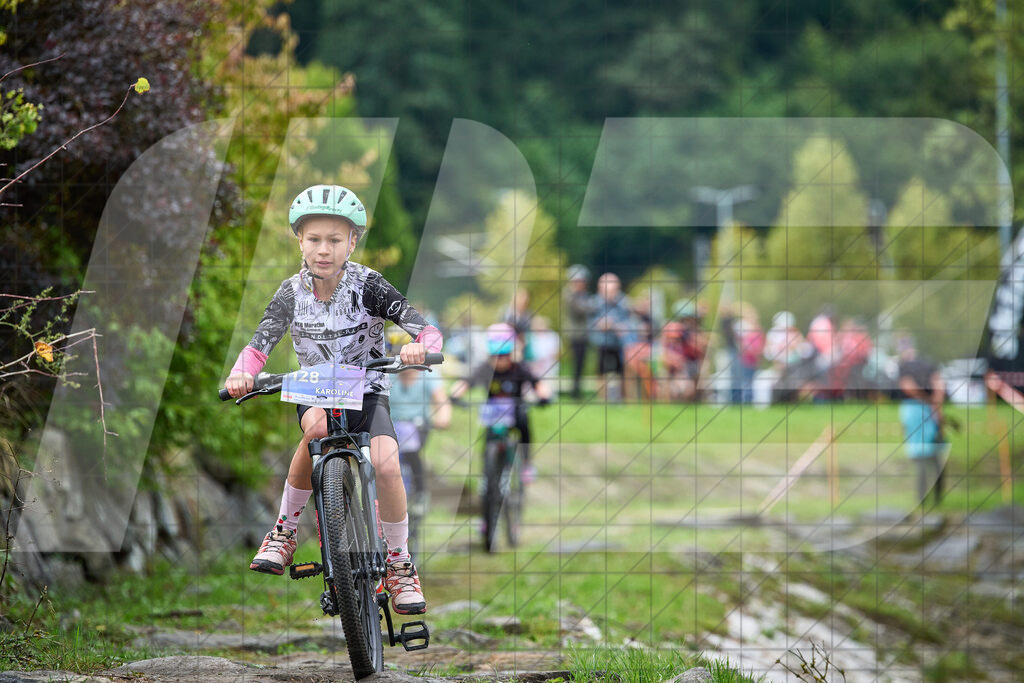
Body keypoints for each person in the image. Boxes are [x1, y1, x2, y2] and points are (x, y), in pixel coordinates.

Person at [225, 184, 442, 616]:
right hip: (316, 393)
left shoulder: (369, 286)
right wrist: (241, 372)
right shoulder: (290, 293)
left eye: (335, 240)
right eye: (314, 239)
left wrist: (421, 345)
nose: (324, 250)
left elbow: (424, 327)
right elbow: (259, 344)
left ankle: (399, 564)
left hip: (368, 392)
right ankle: (284, 532)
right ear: (299, 241)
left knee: (385, 462)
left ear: (353, 242)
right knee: (317, 431)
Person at [448, 322, 552, 485]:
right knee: (488, 439)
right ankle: (486, 477)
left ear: (511, 353)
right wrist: (454, 395)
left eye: (504, 355)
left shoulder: (519, 368)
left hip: (515, 410)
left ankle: (526, 464)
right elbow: (466, 383)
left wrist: (544, 396)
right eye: (496, 356)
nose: (500, 360)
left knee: (524, 425)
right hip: (493, 413)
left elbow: (537, 383)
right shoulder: (485, 369)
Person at [385, 328, 451, 556]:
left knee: (412, 449)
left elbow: (441, 401)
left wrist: (443, 416)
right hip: (391, 428)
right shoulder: (387, 376)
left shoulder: (427, 374)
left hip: (418, 426)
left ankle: (420, 493)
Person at [895, 334, 946, 508]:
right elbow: (939, 387)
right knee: (935, 453)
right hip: (931, 410)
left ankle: (922, 499)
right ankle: (938, 498)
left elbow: (907, 386)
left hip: (914, 410)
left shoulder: (903, 366)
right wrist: (936, 408)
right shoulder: (929, 363)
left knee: (920, 456)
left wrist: (925, 399)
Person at [589, 272, 631, 402]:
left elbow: (628, 320)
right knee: (601, 370)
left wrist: (621, 326)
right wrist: (601, 323)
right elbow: (589, 322)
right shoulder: (595, 302)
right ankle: (602, 398)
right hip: (602, 341)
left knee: (621, 371)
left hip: (618, 342)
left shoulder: (623, 301)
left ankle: (622, 398)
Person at [563, 265, 593, 399]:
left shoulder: (581, 295)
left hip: (583, 334)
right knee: (576, 364)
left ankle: (577, 389)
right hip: (575, 334)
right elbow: (581, 310)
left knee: (581, 364)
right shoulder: (570, 294)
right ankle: (574, 392)